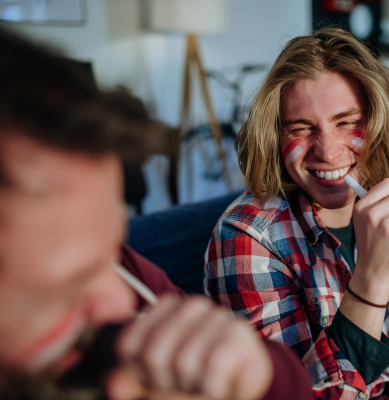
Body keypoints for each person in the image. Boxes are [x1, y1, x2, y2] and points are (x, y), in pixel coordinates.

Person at [0, 26, 313, 400]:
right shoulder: (251, 233)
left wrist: (259, 375)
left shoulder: (130, 281)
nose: (122, 302)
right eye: (69, 287)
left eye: (114, 250)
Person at [204, 28, 389, 400]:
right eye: (301, 129)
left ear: (378, 121)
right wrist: (370, 281)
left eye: (348, 122)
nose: (329, 153)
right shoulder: (245, 239)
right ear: (275, 136)